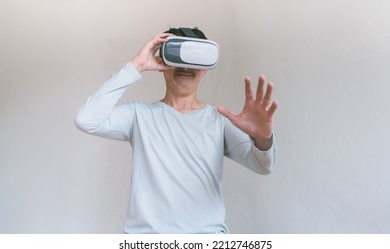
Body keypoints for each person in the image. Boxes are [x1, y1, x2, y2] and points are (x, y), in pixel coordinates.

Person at [74, 27, 278, 234]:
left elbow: (263, 165)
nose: (185, 66)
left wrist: (263, 138)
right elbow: (86, 120)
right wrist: (137, 64)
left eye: (194, 58)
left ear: (205, 68)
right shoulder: (138, 116)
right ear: (163, 63)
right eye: (178, 57)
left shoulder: (219, 120)